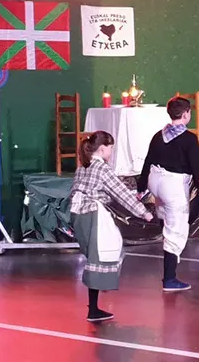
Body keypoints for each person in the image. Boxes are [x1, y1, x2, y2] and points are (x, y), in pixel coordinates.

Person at [69, 131, 153, 322]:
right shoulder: (102, 169)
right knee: (103, 253)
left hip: (78, 214)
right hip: (93, 214)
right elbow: (121, 193)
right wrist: (145, 213)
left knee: (96, 255)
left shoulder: (83, 166)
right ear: (102, 148)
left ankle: (95, 302)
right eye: (111, 147)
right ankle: (94, 307)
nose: (112, 151)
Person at [138, 96, 199, 292]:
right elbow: (196, 167)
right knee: (176, 231)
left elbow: (147, 161)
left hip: (156, 181)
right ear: (185, 114)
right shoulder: (189, 139)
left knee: (166, 218)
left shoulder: (159, 135)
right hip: (172, 184)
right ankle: (169, 278)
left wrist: (141, 187)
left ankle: (165, 231)